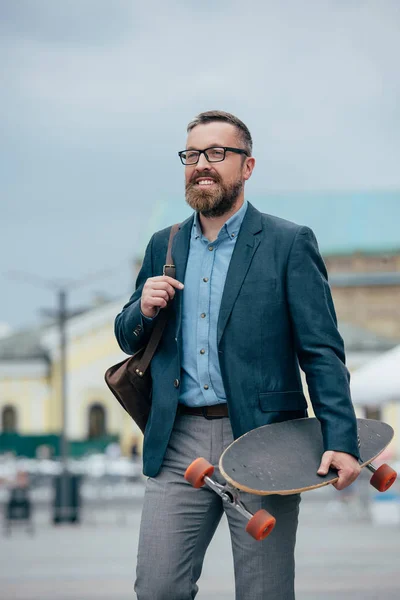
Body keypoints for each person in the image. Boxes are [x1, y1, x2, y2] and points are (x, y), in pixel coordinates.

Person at [114, 110, 361, 599]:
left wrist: (343, 438)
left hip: (265, 440)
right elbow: (127, 337)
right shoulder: (163, 243)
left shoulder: (288, 243)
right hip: (177, 440)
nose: (201, 164)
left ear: (247, 167)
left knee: (264, 590)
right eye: (192, 155)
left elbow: (321, 350)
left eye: (216, 153)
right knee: (158, 588)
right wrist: (141, 306)